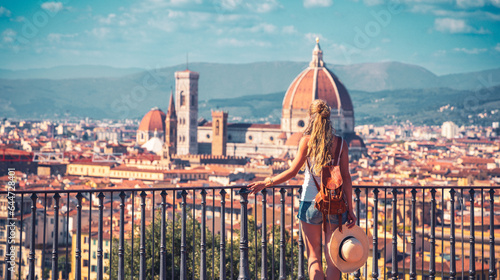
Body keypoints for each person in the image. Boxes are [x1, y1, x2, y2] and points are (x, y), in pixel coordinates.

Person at [248, 99, 357, 280]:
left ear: (310, 117)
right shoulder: (340, 143)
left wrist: (266, 182)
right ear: (329, 118)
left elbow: (292, 172)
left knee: (313, 256)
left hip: (310, 202)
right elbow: (346, 177)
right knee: (333, 258)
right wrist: (351, 209)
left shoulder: (306, 141)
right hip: (335, 203)